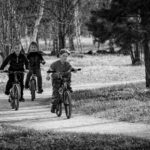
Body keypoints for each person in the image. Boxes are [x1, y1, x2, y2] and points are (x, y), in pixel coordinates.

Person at [46, 49, 77, 113]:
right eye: (63, 56)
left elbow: (71, 68)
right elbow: (49, 70)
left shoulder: (67, 64)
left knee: (69, 73)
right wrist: (48, 75)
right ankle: (54, 105)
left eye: (66, 56)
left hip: (65, 79)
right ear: (60, 55)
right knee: (56, 93)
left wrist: (74, 70)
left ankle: (68, 88)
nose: (65, 57)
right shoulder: (55, 64)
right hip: (57, 80)